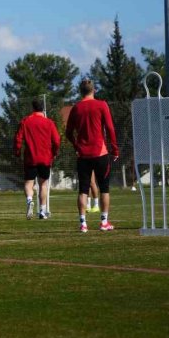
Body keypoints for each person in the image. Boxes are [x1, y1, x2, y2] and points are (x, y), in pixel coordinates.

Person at [65, 79, 119, 233]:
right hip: (100, 153)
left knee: (83, 189)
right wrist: (115, 149)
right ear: (94, 90)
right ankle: (104, 222)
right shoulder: (102, 105)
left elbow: (68, 132)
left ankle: (83, 224)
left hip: (83, 155)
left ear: (80, 91)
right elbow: (110, 128)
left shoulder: (76, 108)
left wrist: (77, 145)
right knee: (104, 189)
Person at [14, 99, 61, 220]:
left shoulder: (25, 121)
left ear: (33, 108)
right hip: (45, 158)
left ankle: (30, 200)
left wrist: (17, 152)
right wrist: (54, 153)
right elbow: (56, 140)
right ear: (43, 109)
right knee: (43, 184)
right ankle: (42, 211)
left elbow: (18, 139)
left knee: (28, 183)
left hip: (30, 158)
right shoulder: (49, 122)